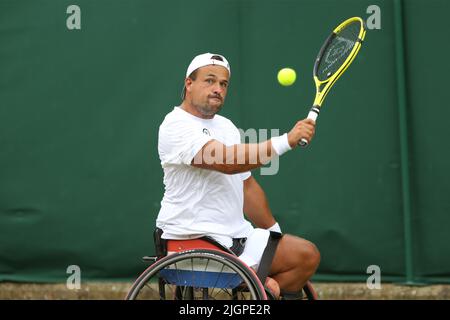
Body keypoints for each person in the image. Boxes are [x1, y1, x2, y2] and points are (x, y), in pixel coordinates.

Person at [156, 52, 320, 299]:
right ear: (189, 84)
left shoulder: (226, 126)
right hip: (194, 239)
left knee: (306, 255)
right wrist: (286, 141)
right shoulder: (175, 125)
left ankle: (263, 288)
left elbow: (247, 187)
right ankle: (259, 287)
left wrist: (274, 232)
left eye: (223, 84)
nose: (217, 88)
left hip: (236, 237)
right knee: (268, 287)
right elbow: (224, 160)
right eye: (209, 81)